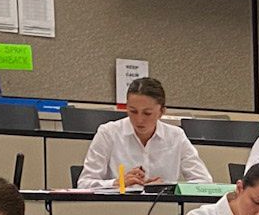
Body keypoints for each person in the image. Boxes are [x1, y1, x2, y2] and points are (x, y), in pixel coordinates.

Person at [75, 77, 209, 189]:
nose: (139, 119)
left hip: (163, 211)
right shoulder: (108, 133)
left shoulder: (176, 136)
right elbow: (84, 184)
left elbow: (204, 182)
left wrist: (166, 188)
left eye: (147, 113)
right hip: (116, 210)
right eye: (133, 111)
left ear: (162, 112)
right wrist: (118, 183)